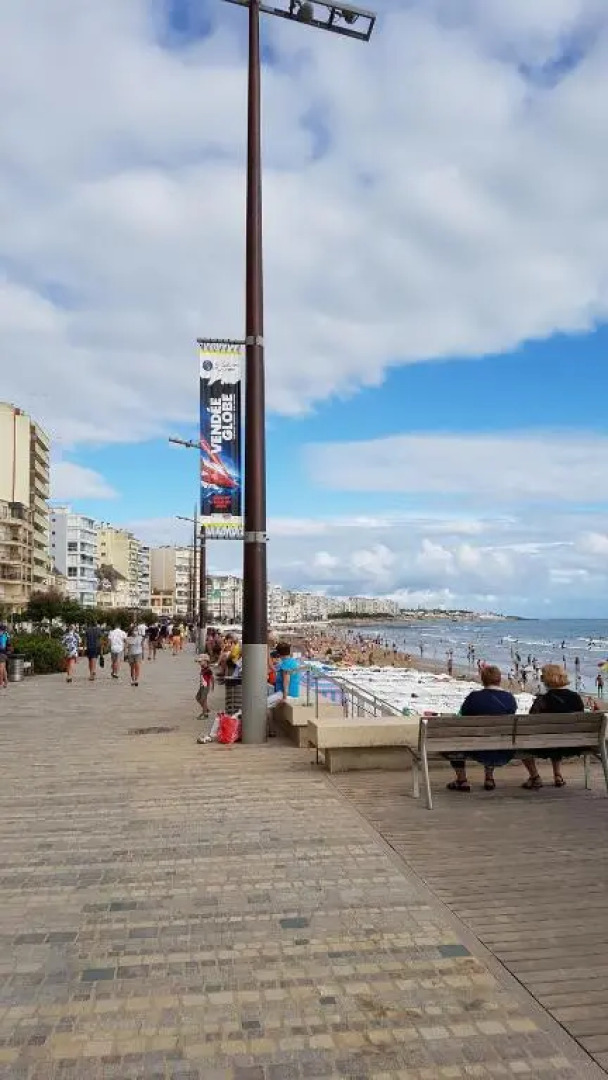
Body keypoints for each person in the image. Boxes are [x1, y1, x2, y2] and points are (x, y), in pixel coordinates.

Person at [447, 665, 517, 793]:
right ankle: (489, 778)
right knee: (493, 735)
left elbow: (462, 716)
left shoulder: (474, 697)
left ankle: (462, 780)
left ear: (483, 679)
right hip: (502, 748)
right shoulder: (509, 698)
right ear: (499, 680)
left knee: (454, 743)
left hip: (475, 747)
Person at [521, 664, 585, 789]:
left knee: (522, 746)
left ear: (547, 679)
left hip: (547, 745)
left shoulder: (543, 700)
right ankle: (557, 775)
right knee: (558, 736)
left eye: (542, 676)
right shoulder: (576, 698)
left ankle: (535, 776)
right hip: (572, 744)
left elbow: (530, 722)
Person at [0, 624, 10, 688]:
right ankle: (6, 681)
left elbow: (3, 647)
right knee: (3, 669)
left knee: (1, 668)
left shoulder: (3, 636)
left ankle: (1, 682)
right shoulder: (5, 635)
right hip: (3, 653)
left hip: (2, 654)